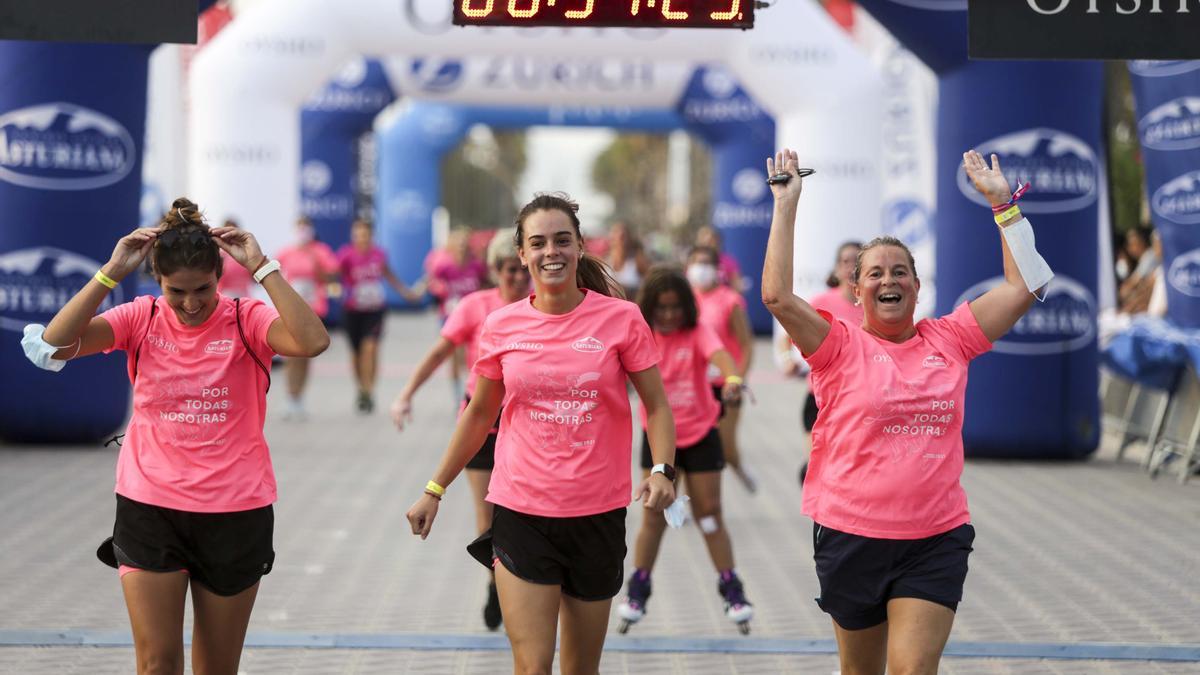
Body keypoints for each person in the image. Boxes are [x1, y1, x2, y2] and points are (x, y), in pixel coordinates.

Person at [762, 148, 1042, 675]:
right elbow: (776, 297)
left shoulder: (952, 337)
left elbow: (1023, 287)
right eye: (874, 273)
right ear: (857, 288)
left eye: (900, 272)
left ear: (916, 286)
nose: (887, 280)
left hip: (935, 538)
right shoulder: (835, 344)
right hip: (851, 535)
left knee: (913, 670)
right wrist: (785, 205)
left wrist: (1004, 205)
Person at [21, 198, 329, 675]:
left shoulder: (248, 319)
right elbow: (54, 344)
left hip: (236, 511)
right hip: (150, 506)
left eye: (203, 289)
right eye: (176, 291)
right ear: (158, 282)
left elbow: (312, 341)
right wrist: (111, 272)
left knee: (216, 668)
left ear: (220, 277)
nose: (190, 304)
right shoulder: (140, 318)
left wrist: (263, 266)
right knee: (157, 663)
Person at [406, 192, 677, 675]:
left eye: (561, 240)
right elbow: (478, 413)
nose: (551, 252)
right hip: (521, 511)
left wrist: (661, 469)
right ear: (522, 254)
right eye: (539, 243)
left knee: (580, 669)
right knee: (532, 667)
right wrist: (434, 488)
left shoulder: (620, 318)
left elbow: (656, 404)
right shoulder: (501, 325)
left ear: (579, 247)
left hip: (598, 512)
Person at [389, 231, 530, 630]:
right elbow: (439, 352)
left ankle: (517, 584)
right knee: (487, 518)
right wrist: (406, 394)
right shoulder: (476, 307)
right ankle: (495, 584)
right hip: (482, 423)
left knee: (520, 514)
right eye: (509, 271)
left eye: (523, 271)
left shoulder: (543, 309)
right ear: (495, 271)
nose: (518, 279)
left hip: (525, 425)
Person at [616, 265, 754, 635]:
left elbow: (722, 358)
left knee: (710, 512)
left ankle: (731, 587)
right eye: (660, 307)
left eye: (675, 307)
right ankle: (638, 588)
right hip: (660, 441)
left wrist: (734, 380)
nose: (668, 315)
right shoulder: (641, 334)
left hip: (701, 433)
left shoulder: (697, 331)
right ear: (649, 307)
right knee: (654, 517)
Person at [687, 245, 756, 492]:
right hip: (693, 387)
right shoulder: (684, 300)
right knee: (686, 445)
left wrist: (736, 379)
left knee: (726, 448)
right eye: (696, 262)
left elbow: (747, 345)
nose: (700, 268)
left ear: (717, 269)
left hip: (725, 386)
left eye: (706, 263)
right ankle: (683, 500)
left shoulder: (730, 300)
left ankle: (739, 467)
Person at [795, 241, 863, 485]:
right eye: (845, 261)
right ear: (836, 269)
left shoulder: (875, 306)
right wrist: (788, 360)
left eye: (856, 260)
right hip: (820, 398)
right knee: (819, 467)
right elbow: (794, 336)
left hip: (858, 402)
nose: (850, 266)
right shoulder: (821, 301)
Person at [336, 218, 421, 414]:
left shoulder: (379, 254)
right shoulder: (346, 255)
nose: (361, 239)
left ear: (371, 236)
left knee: (371, 348)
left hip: (375, 310)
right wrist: (334, 289)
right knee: (356, 354)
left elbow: (388, 275)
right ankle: (361, 388)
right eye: (357, 235)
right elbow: (334, 275)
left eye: (365, 235)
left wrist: (405, 292)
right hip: (352, 310)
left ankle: (369, 389)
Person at [275, 216, 340, 421]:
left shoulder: (320, 251)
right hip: (291, 309)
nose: (302, 231)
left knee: (305, 355)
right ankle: (290, 396)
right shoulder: (287, 252)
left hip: (313, 308)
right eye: (299, 227)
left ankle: (299, 397)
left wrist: (317, 265)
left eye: (306, 227)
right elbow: (276, 275)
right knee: (291, 354)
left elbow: (332, 277)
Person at [426, 228, 491, 401]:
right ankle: (458, 395)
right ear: (452, 246)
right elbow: (431, 281)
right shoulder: (445, 266)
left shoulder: (476, 266)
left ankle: (471, 389)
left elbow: (486, 283)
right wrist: (438, 289)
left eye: (465, 243)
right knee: (454, 356)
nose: (462, 246)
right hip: (450, 317)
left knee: (471, 356)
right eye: (459, 243)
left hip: (474, 318)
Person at [606, 220, 651, 298]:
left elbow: (650, 286)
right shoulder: (606, 262)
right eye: (616, 236)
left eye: (623, 236)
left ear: (629, 238)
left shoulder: (638, 260)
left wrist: (625, 289)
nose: (620, 241)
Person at [695, 225, 743, 292]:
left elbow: (738, 287)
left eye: (710, 241)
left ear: (717, 242)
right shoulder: (693, 261)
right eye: (704, 241)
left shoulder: (728, 262)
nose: (707, 244)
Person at [216, 218, 253, 298]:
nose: (230, 236)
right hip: (224, 298)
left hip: (244, 299)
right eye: (226, 232)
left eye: (232, 232)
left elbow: (255, 279)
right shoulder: (218, 256)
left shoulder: (247, 255)